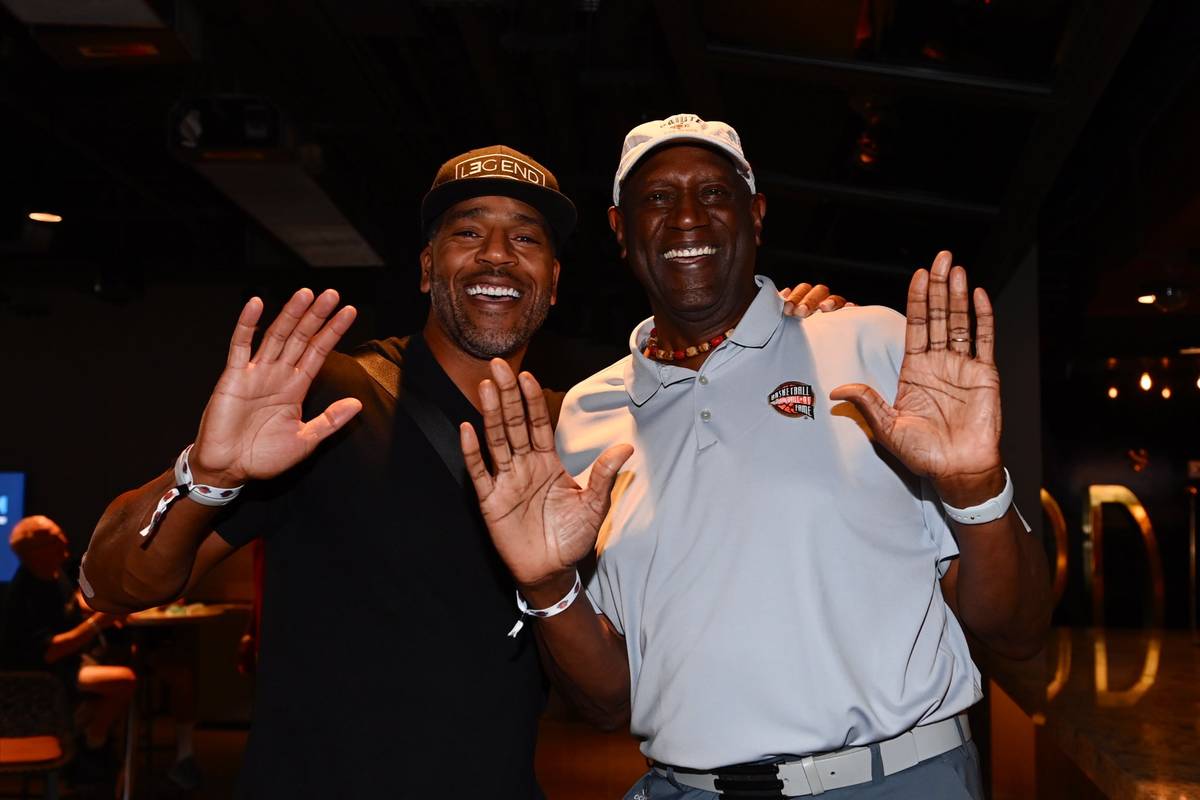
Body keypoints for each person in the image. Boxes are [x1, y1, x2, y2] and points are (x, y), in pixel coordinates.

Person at [78, 143, 846, 798]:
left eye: (526, 239)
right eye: (466, 232)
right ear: (425, 268)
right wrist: (205, 475)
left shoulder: (576, 430)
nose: (495, 256)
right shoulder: (330, 402)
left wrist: (789, 333)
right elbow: (114, 584)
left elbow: (621, 679)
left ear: (551, 283)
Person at [460, 114, 1054, 800]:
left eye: (714, 192)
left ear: (756, 214)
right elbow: (609, 704)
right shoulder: (589, 415)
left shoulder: (871, 346)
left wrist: (976, 486)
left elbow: (1019, 631)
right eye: (657, 197)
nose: (687, 218)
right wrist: (545, 587)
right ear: (620, 230)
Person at [0, 515, 136, 786]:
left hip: (66, 665)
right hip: (42, 679)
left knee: (125, 656)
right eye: (54, 539)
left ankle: (89, 737)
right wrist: (100, 622)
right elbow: (50, 652)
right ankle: (91, 741)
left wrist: (100, 610)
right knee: (124, 680)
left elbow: (71, 603)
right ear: (34, 552)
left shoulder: (52, 574)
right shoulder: (24, 595)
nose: (65, 541)